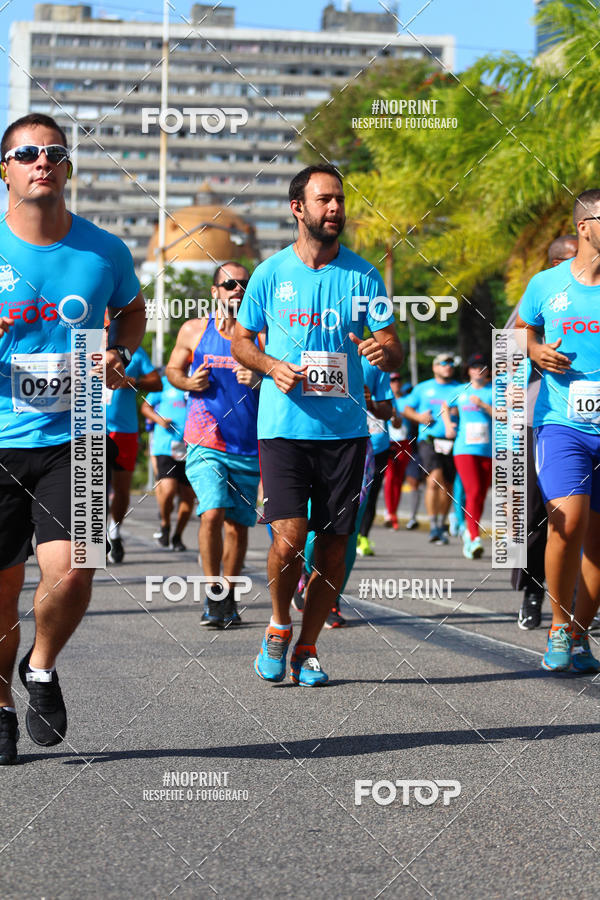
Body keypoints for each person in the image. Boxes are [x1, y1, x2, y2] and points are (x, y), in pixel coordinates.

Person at [0, 113, 145, 765]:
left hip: (78, 429)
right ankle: (1, 703)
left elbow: (135, 312)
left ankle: (42, 664)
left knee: (76, 569)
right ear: (5, 168)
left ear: (68, 168)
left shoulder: (103, 251)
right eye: (26, 153)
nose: (42, 162)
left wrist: (120, 354)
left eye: (54, 153)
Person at [232, 163, 403, 686]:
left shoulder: (362, 275)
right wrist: (270, 365)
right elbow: (241, 341)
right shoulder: (270, 273)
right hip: (283, 427)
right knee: (288, 537)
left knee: (333, 541)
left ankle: (308, 646)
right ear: (297, 208)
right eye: (325, 200)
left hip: (345, 433)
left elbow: (391, 348)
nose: (335, 209)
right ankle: (279, 624)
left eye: (340, 200)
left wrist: (384, 351)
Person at [516, 191, 600, 671]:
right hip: (562, 423)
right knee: (566, 524)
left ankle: (581, 633)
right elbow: (521, 330)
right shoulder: (546, 284)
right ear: (585, 226)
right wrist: (534, 350)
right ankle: (557, 625)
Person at [166, 262, 260, 629]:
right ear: (215, 291)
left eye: (244, 284)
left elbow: (282, 376)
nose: (237, 289)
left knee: (238, 525)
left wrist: (259, 376)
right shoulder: (194, 329)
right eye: (229, 283)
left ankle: (230, 594)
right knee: (213, 511)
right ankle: (213, 592)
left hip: (249, 443)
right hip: (205, 436)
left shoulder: (262, 333)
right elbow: (172, 370)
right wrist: (187, 383)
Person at [508, 234, 578, 629]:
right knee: (538, 513)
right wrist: (534, 353)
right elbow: (510, 348)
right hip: (540, 416)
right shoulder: (539, 294)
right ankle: (533, 592)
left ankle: (575, 600)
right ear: (555, 264)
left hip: (590, 418)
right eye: (571, 258)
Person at [106, 345, 161, 563]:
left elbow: (156, 382)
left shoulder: (133, 352)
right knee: (93, 485)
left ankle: (114, 532)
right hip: (89, 427)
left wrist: (133, 382)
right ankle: (93, 536)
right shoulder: (85, 343)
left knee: (121, 488)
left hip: (124, 430)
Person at [403, 354, 461, 544]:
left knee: (448, 486)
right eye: (443, 363)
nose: (448, 366)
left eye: (450, 363)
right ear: (435, 367)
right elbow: (406, 409)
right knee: (434, 479)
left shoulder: (459, 389)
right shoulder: (423, 388)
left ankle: (441, 524)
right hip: (429, 439)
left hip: (453, 440)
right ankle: (433, 524)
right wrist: (420, 418)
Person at [443, 353, 493, 560]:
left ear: (488, 370)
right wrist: (448, 425)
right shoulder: (461, 390)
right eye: (473, 367)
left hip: (488, 450)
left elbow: (504, 415)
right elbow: (445, 406)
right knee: (472, 491)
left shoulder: (494, 391)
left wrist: (483, 406)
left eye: (481, 367)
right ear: (468, 370)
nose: (477, 370)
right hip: (464, 448)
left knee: (481, 494)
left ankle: (469, 530)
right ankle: (473, 537)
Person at [141, 375, 196, 551]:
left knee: (188, 496)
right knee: (169, 488)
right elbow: (146, 407)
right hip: (166, 445)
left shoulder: (200, 382)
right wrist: (159, 420)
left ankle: (177, 536)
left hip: (191, 446)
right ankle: (165, 524)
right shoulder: (165, 382)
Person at [356, 359, 393, 556]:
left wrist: (370, 403)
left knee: (369, 496)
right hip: (339, 442)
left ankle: (362, 536)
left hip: (377, 446)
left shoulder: (376, 362)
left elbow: (388, 411)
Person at [383, 376, 413, 530]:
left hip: (404, 443)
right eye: (392, 380)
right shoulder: (384, 398)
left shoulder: (408, 400)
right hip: (389, 442)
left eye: (398, 380)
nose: (396, 383)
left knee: (399, 479)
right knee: (390, 477)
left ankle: (394, 511)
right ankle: (389, 512)